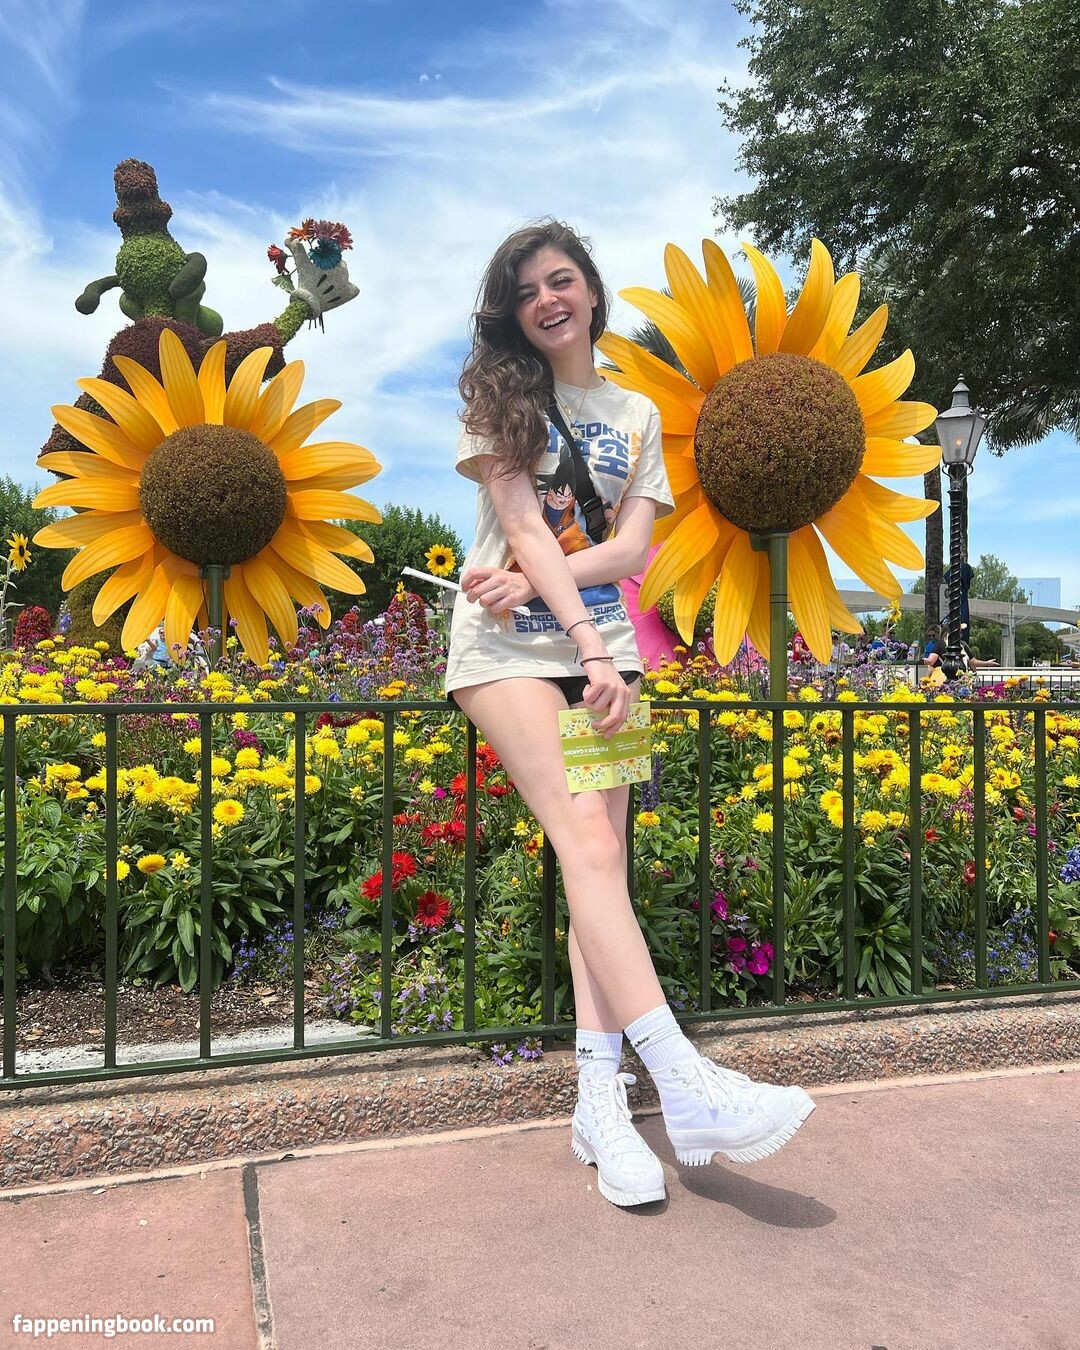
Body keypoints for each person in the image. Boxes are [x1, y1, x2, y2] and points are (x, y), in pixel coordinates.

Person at [444, 220, 815, 1209]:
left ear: (593, 292)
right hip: (511, 652)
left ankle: (599, 1105)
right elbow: (524, 523)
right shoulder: (499, 399)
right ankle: (683, 1080)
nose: (547, 299)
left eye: (561, 279)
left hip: (598, 651)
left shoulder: (637, 410)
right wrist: (579, 628)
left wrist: (546, 589)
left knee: (600, 863)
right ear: (512, 313)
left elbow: (628, 551)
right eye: (527, 290)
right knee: (584, 840)